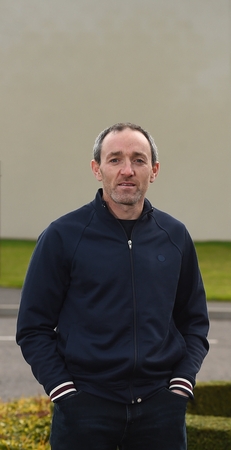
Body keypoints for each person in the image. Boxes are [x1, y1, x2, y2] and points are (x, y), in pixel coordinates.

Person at [16, 122, 210, 450]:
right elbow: (33, 328)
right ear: (97, 169)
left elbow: (193, 322)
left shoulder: (174, 236)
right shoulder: (63, 236)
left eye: (138, 159)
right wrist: (64, 391)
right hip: (85, 409)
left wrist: (180, 385)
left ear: (154, 170)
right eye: (115, 159)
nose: (127, 171)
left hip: (159, 409)